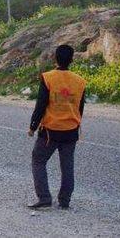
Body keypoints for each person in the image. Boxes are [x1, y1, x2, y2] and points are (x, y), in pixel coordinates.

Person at [28, 44, 86, 210]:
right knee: (67, 166)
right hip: (70, 131)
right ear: (72, 60)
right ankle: (65, 201)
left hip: (50, 131)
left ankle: (45, 198)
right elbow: (80, 108)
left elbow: (41, 105)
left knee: (38, 160)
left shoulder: (48, 77)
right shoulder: (80, 81)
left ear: (55, 58)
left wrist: (33, 126)